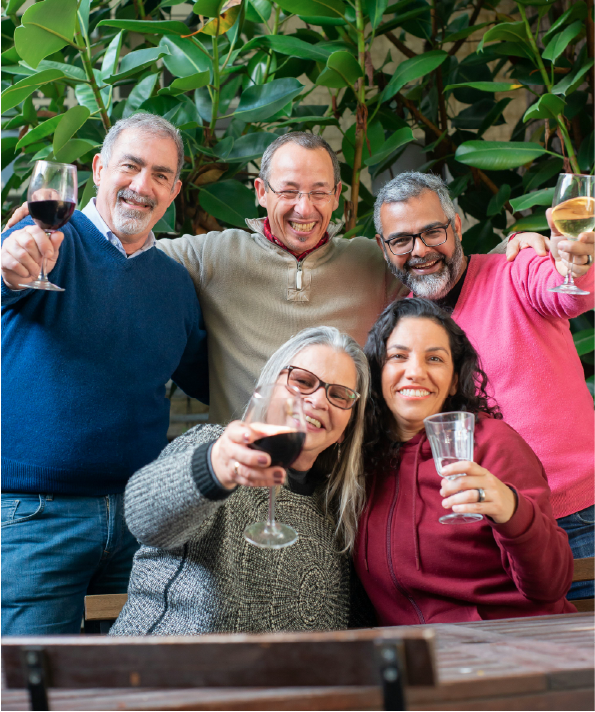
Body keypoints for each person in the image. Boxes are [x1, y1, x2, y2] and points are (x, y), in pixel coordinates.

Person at [6, 133, 546, 428]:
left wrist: (515, 247)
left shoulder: (373, 260)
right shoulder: (210, 255)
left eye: (319, 192)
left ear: (339, 198)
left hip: (346, 476)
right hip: (240, 477)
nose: (304, 208)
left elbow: (440, 266)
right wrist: (40, 229)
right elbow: (122, 242)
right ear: (261, 192)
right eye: (287, 190)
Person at [1, 114, 209, 635]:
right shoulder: (45, 240)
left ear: (174, 190)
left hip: (140, 522)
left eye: (160, 175)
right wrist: (9, 264)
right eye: (130, 166)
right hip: (36, 519)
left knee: (123, 688)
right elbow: (11, 271)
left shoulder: (175, 285)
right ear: (98, 168)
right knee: (31, 688)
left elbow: (209, 378)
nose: (142, 186)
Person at [373, 171, 595, 599]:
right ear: (385, 248)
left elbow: (570, 295)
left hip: (576, 514)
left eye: (432, 231)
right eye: (401, 240)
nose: (419, 251)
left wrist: (576, 261)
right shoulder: (400, 326)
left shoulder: (517, 267)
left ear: (456, 226)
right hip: (477, 534)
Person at [110, 326, 371, 635]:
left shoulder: (337, 511)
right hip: (165, 672)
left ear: (346, 429)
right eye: (302, 381)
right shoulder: (215, 447)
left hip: (271, 682)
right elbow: (144, 518)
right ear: (268, 389)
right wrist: (214, 468)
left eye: (340, 396)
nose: (318, 400)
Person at [355, 297, 576, 624]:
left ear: (455, 379)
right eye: (398, 356)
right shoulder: (360, 459)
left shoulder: (493, 443)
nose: (415, 372)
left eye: (434, 358)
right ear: (376, 369)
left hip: (514, 647)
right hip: (421, 660)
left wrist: (510, 508)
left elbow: (551, 585)